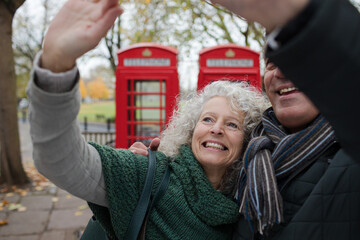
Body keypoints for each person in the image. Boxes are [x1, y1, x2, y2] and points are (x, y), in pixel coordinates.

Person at [26, 1, 269, 237]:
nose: (216, 129)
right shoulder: (145, 175)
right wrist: (56, 65)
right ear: (190, 129)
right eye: (207, 119)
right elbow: (60, 159)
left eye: (232, 124)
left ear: (248, 140)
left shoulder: (255, 202)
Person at [132, 0, 360, 238]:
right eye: (272, 64)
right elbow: (198, 170)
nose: (281, 72)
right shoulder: (249, 151)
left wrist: (303, 16)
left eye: (298, 61)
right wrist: (152, 166)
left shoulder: (351, 153)